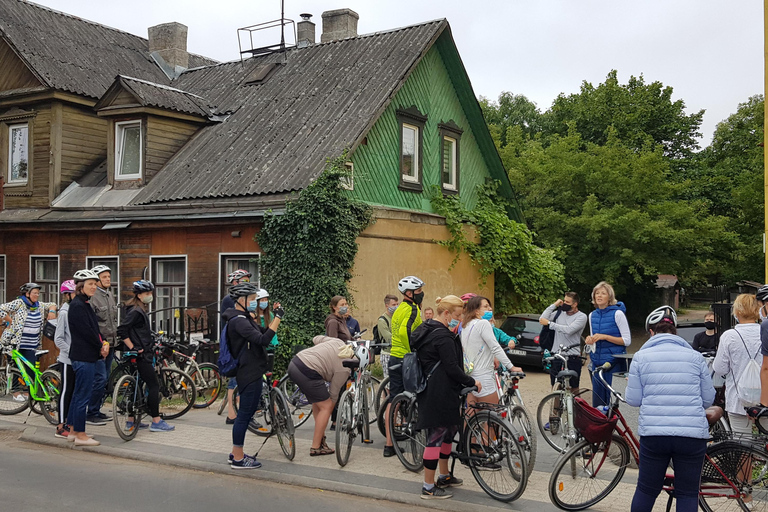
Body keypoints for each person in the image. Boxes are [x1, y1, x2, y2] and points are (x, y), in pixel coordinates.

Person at [626, 306, 714, 512]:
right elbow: (708, 399)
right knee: (687, 493)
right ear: (675, 330)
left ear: (651, 331)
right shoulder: (695, 357)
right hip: (691, 435)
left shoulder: (640, 357)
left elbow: (633, 399)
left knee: (646, 490)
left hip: (654, 434)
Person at [411, 295, 479, 500]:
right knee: (436, 436)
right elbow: (452, 367)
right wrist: (471, 382)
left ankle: (444, 476)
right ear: (446, 313)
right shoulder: (442, 336)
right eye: (457, 315)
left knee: (448, 432)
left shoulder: (428, 329)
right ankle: (428, 487)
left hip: (436, 389)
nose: (459, 319)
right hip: (439, 392)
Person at [221, 282, 283, 469]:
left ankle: (235, 454)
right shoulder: (238, 321)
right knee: (244, 416)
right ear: (241, 300)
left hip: (253, 370)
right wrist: (278, 318)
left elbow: (263, 332)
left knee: (245, 415)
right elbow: (263, 340)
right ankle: (238, 458)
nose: (256, 302)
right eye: (253, 299)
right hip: (248, 373)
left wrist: (273, 319)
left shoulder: (244, 317)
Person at [116, 280, 175, 434]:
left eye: (151, 293)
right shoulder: (136, 311)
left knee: (135, 386)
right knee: (153, 385)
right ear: (139, 295)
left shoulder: (135, 308)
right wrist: (133, 347)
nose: (150, 296)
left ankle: (130, 421)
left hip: (137, 353)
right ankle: (156, 421)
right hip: (140, 354)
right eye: (147, 294)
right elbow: (122, 330)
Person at [287, 335, 351, 456]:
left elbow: (316, 338)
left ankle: (320, 441)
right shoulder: (345, 369)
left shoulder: (337, 341)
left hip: (296, 362)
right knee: (326, 406)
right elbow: (334, 395)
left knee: (319, 402)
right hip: (308, 371)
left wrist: (322, 355)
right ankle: (316, 447)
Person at [383, 275, 424, 457]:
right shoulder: (412, 308)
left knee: (394, 399)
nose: (422, 293)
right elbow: (404, 331)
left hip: (394, 357)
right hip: (406, 358)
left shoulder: (399, 308)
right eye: (419, 291)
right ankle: (415, 432)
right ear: (409, 293)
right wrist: (413, 351)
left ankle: (389, 445)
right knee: (415, 395)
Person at [68, 269, 108, 447]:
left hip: (85, 355)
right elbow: (87, 332)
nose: (94, 287)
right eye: (90, 284)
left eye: (95, 283)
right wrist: (100, 347)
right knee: (83, 396)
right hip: (84, 357)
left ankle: (72, 430)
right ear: (80, 286)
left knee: (78, 395)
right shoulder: (78, 306)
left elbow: (95, 329)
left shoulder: (84, 304)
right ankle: (80, 435)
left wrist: (103, 342)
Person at [713, 293, 761, 436]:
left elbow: (719, 368)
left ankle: (747, 459)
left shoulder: (729, 336)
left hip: (738, 400)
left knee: (742, 444)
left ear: (737, 312)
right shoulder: (765, 332)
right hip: (765, 398)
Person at [460, 295, 519, 409]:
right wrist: (511, 367)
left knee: (471, 417)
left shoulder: (466, 325)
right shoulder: (483, 323)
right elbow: (495, 347)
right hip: (484, 377)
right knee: (493, 418)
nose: (490, 309)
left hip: (470, 375)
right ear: (477, 311)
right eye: (486, 307)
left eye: (489, 306)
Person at [585, 281, 631, 407]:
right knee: (598, 404)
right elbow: (594, 340)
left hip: (614, 362)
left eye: (603, 293)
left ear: (609, 297)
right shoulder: (592, 315)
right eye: (597, 293)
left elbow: (627, 340)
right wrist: (590, 341)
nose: (599, 296)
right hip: (597, 363)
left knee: (613, 402)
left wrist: (605, 337)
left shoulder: (618, 314)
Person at [0, 282, 58, 375]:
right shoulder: (19, 303)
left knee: (30, 373)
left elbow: (52, 304)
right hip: (16, 345)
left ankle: (31, 389)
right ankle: (15, 389)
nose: (37, 295)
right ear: (27, 294)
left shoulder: (39, 306)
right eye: (35, 293)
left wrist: (51, 311)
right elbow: (1, 309)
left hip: (32, 346)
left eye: (38, 293)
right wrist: (10, 321)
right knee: (15, 374)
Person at [87, 264, 117, 425]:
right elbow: (92, 324)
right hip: (99, 346)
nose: (107, 279)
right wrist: (100, 343)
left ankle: (97, 410)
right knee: (99, 379)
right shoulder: (93, 297)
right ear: (97, 280)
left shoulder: (110, 295)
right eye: (104, 277)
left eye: (108, 276)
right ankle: (90, 412)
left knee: (104, 380)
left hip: (111, 344)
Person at [539, 292, 588, 390]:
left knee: (574, 387)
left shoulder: (581, 317)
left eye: (567, 302)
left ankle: (574, 404)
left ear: (575, 304)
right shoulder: (559, 313)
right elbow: (542, 318)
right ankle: (556, 404)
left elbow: (569, 330)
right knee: (555, 385)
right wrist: (554, 305)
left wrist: (550, 324)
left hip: (573, 355)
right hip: (557, 354)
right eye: (564, 300)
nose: (564, 303)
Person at [222, 269, 252, 426]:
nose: (248, 284)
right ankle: (232, 413)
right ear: (235, 282)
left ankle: (236, 412)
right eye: (244, 281)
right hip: (234, 342)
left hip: (238, 340)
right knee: (235, 377)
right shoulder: (230, 299)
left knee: (238, 377)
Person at [53, 280, 76, 439]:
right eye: (75, 293)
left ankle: (71, 424)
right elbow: (58, 339)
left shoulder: (75, 311)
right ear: (67, 295)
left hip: (78, 359)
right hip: (68, 359)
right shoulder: (64, 313)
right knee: (65, 392)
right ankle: (61, 426)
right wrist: (73, 351)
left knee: (74, 392)